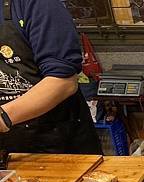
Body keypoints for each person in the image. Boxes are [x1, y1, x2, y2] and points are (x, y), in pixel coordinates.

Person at [0, 0, 101, 154]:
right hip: (7, 149)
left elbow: (63, 82)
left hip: (55, 141)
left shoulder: (38, 4)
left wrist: (3, 117)